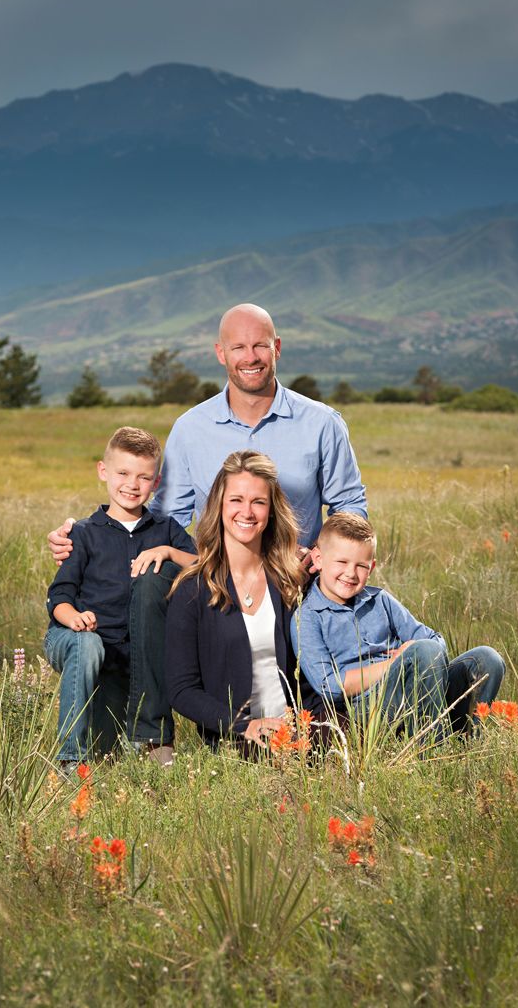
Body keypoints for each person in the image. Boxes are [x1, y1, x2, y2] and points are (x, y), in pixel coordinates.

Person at [48, 302, 367, 564]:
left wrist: (320, 554)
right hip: (214, 583)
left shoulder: (322, 424)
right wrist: (84, 538)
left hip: (297, 579)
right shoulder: (190, 429)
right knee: (151, 585)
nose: (251, 357)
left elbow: (349, 505)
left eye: (260, 345)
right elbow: (164, 519)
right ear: (221, 353)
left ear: (277, 348)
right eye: (238, 347)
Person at [44, 426, 196, 769]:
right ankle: (70, 760)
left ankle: (151, 741)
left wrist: (169, 552)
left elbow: (204, 565)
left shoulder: (166, 529)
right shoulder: (83, 533)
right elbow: (60, 595)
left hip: (135, 655)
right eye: (123, 473)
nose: (132, 484)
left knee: (108, 755)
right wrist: (75, 619)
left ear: (156, 484)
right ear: (103, 472)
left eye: (144, 477)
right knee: (87, 646)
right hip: (85, 642)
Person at [291, 513, 505, 740]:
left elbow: (436, 641)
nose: (351, 573)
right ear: (318, 559)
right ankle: (430, 749)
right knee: (423, 652)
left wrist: (412, 657)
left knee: (487, 659)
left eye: (361, 566)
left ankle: (468, 740)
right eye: (341, 562)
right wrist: (394, 663)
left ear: (371, 567)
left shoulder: (380, 600)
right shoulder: (307, 617)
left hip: (413, 685)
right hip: (368, 707)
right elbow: (330, 686)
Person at [165, 450, 315, 750]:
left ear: (271, 510)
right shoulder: (192, 590)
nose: (246, 512)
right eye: (236, 500)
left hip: (300, 732)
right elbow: (181, 690)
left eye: (258, 502)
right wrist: (242, 725)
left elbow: (317, 668)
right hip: (236, 741)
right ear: (219, 505)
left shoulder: (292, 579)